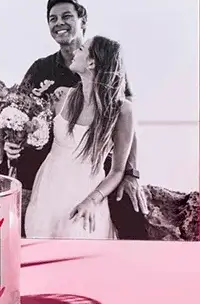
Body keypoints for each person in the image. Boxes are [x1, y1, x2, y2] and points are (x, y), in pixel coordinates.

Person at [0, 0, 149, 239]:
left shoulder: (109, 67)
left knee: (128, 207)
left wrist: (130, 173)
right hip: (49, 151)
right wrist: (2, 142)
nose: (59, 23)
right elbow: (18, 107)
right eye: (52, 19)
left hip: (93, 157)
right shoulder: (43, 70)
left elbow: (127, 126)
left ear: (83, 20)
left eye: (67, 16)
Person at [24, 35, 135, 240]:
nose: (75, 52)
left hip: (86, 189)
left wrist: (92, 200)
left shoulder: (122, 110)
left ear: (91, 62)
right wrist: (11, 138)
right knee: (40, 241)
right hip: (49, 185)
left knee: (79, 242)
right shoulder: (62, 95)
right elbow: (31, 130)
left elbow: (117, 170)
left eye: (82, 49)